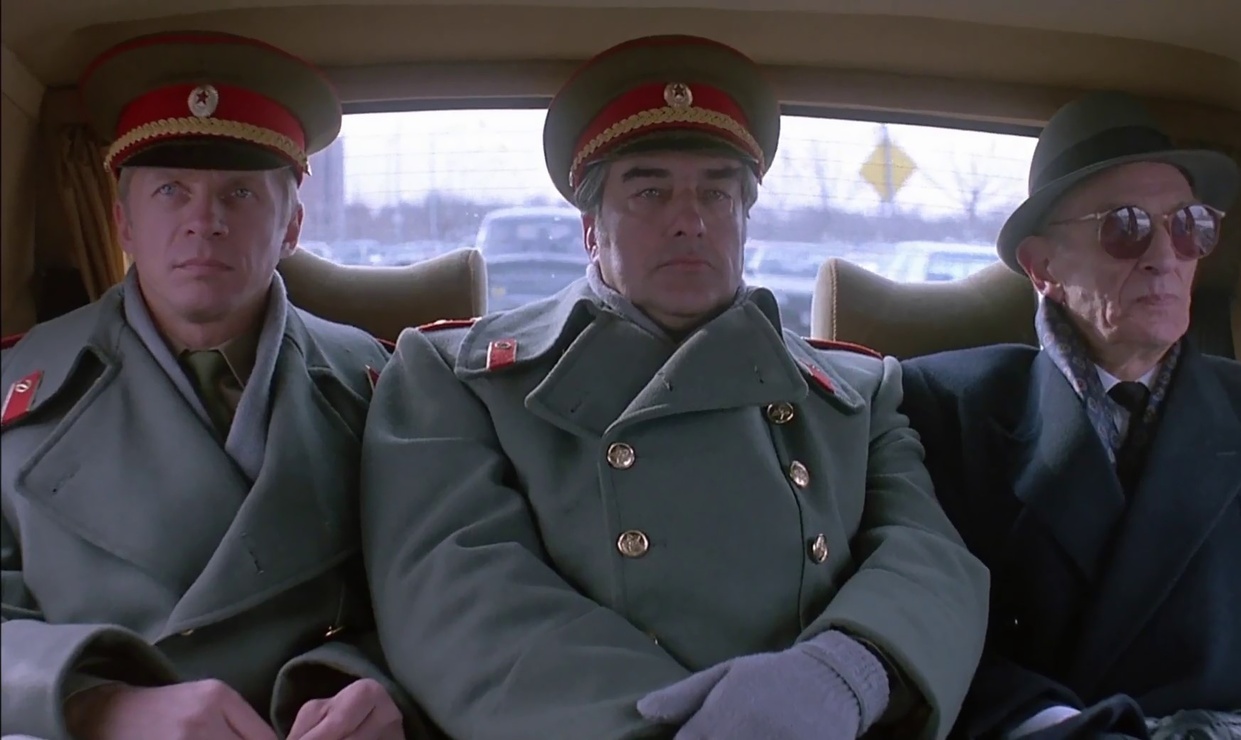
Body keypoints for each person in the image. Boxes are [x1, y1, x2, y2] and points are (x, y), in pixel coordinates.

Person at [360, 33, 990, 740]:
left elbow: (931, 559)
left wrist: (845, 674)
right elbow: (458, 594)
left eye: (716, 192)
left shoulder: (857, 392)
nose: (690, 220)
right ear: (590, 230)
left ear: (744, 220)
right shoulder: (457, 378)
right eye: (649, 191)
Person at [899, 91, 1241, 740]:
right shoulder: (939, 407)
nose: (1165, 256)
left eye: (1189, 226)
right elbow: (914, 619)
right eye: (1125, 226)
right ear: (1042, 267)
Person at [0, 31, 424, 740]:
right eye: (171, 190)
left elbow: (436, 595)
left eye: (240, 192)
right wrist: (96, 703)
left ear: (291, 226)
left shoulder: (387, 387)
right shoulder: (15, 385)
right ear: (123, 222)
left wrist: (372, 688)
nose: (205, 222)